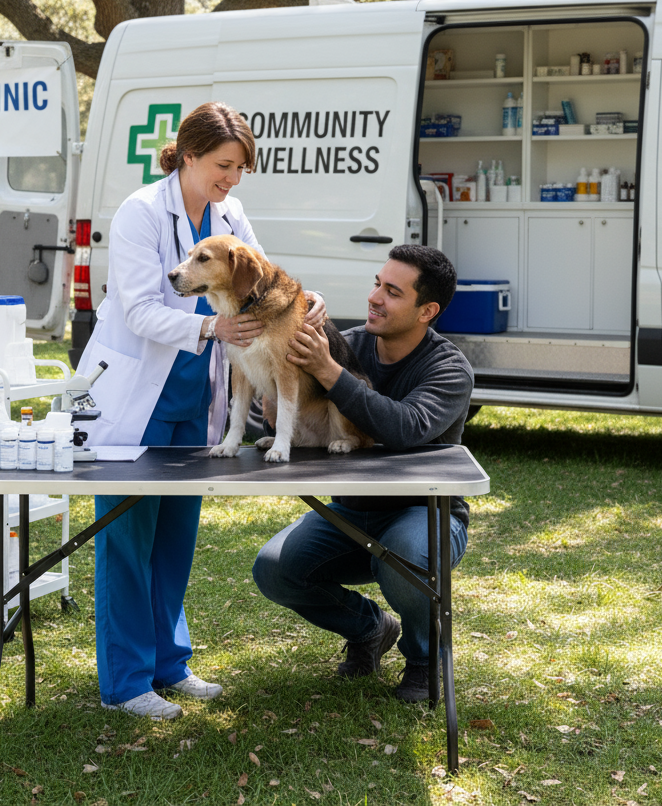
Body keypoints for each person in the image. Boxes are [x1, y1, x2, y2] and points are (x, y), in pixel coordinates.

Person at [75, 101, 325, 720]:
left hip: (199, 395)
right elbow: (135, 309)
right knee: (128, 539)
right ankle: (128, 682)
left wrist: (303, 298)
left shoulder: (228, 213)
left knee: (177, 537)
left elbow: (263, 280)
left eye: (240, 168)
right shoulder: (139, 213)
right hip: (138, 394)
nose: (232, 179)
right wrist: (213, 326)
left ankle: (170, 664)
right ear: (188, 157)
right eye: (223, 165)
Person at [251, 245, 474, 703]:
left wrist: (331, 374)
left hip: (426, 514)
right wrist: (270, 405)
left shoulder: (449, 368)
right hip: (350, 514)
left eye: (392, 292)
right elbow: (282, 412)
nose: (375, 297)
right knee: (274, 570)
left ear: (426, 311)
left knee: (406, 555)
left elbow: (405, 428)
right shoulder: (342, 342)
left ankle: (424, 661)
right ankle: (371, 629)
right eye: (377, 283)